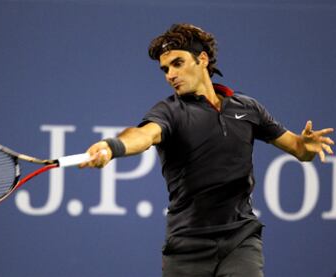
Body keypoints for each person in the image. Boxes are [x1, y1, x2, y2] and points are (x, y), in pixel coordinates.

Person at [79, 23, 334, 277]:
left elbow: (300, 151)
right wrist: (112, 147)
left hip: (240, 239)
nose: (170, 74)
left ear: (202, 59)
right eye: (165, 69)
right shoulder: (169, 111)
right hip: (186, 246)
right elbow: (144, 135)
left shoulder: (248, 108)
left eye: (177, 63)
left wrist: (305, 145)